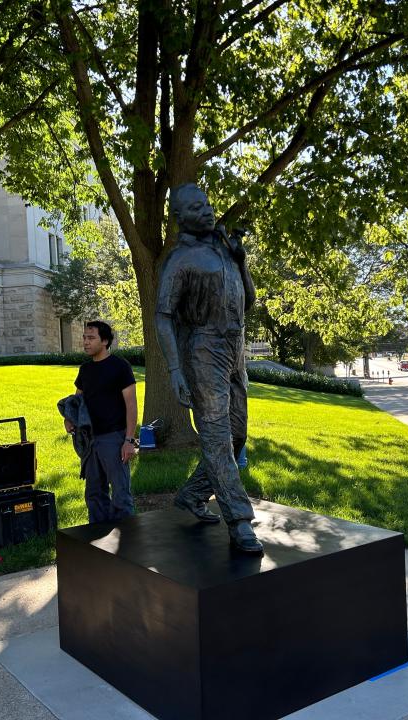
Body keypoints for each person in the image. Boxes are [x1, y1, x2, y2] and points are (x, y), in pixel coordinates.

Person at [155, 183, 263, 554]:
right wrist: (174, 370)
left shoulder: (224, 251)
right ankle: (239, 520)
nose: (207, 211)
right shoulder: (179, 260)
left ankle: (192, 494)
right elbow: (163, 317)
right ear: (179, 218)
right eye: (197, 208)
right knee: (216, 436)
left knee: (236, 436)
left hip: (235, 349)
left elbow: (248, 301)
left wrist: (242, 259)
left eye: (208, 204)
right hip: (202, 351)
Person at [63, 321, 138, 523]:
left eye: (91, 338)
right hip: (90, 440)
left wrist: (129, 441)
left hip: (114, 439)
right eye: (84, 338)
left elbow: (131, 406)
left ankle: (128, 544)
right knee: (94, 495)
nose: (85, 342)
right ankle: (97, 542)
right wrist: (69, 419)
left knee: (121, 496)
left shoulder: (120, 367)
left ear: (104, 341)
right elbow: (76, 400)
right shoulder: (85, 369)